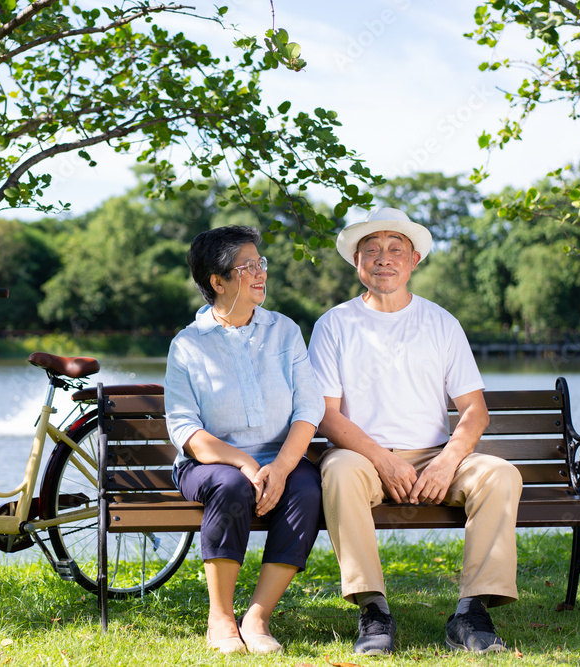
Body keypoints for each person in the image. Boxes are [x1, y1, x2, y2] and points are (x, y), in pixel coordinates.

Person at [307, 207, 522, 655]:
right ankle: (373, 609)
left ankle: (470, 612)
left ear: (414, 260)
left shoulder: (442, 322)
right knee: (340, 470)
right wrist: (383, 461)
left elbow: (474, 412)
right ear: (357, 262)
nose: (383, 258)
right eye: (372, 250)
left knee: (501, 474)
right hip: (363, 458)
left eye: (395, 249)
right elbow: (326, 416)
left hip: (434, 458)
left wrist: (446, 461)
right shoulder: (333, 325)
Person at [165, 225, 325, 655]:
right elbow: (185, 431)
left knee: (307, 489)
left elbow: (308, 408)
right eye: (247, 266)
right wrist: (247, 464)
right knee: (232, 485)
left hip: (282, 458)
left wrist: (283, 466)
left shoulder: (285, 331)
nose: (260, 273)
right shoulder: (187, 345)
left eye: (261, 263)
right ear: (217, 282)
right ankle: (220, 618)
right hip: (208, 467)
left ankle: (257, 616)